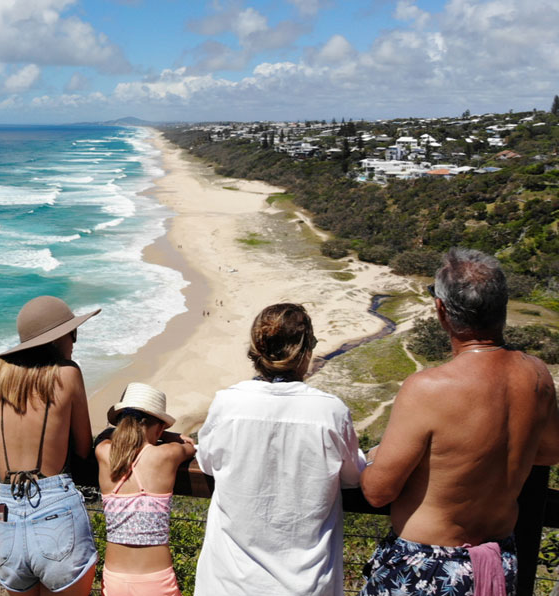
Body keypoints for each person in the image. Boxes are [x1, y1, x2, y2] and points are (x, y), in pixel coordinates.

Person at [360, 249, 559, 596]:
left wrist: (376, 457)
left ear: (441, 310)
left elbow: (378, 493)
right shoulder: (537, 375)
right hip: (497, 560)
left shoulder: (429, 388)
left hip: (426, 564)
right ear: (502, 307)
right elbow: (549, 453)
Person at [194, 302, 366, 595]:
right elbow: (353, 477)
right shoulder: (329, 411)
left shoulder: (229, 403)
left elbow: (208, 463)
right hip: (307, 584)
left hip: (228, 581)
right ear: (306, 351)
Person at [0, 295, 99, 595]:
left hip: (7, 512)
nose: (75, 342)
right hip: (55, 506)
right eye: (73, 333)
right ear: (58, 339)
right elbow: (83, 448)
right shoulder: (68, 373)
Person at [94, 383, 196, 596]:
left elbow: (103, 435)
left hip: (114, 580)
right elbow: (189, 445)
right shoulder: (167, 454)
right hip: (156, 582)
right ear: (159, 428)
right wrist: (169, 436)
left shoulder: (104, 453)